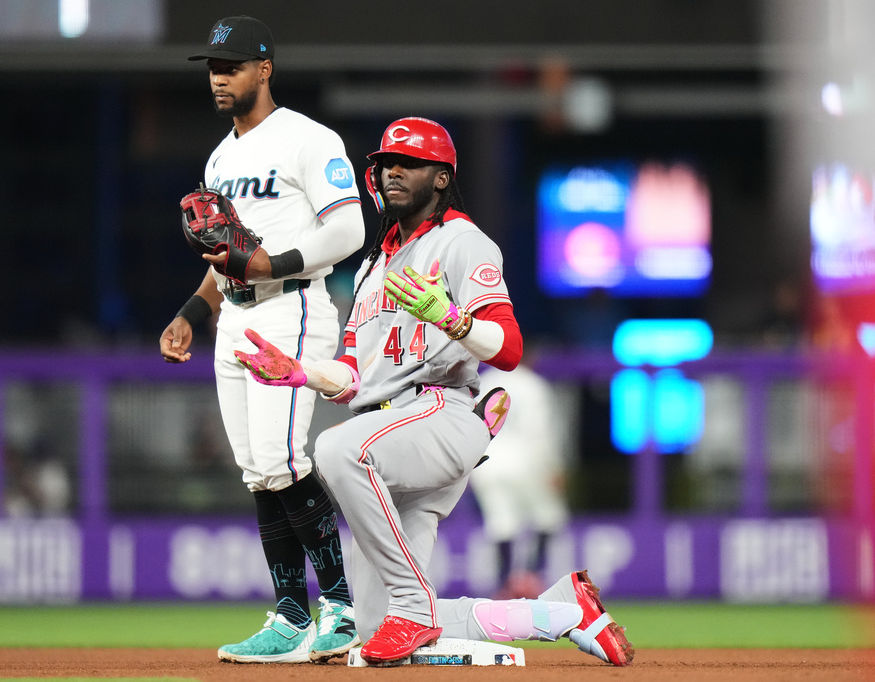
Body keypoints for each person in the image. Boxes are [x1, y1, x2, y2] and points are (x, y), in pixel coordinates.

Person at [235, 117, 634, 666]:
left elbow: (510, 349)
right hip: (390, 433)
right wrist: (302, 372)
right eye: (385, 164)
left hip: (436, 410)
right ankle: (561, 612)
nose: (392, 170)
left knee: (334, 449)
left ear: (441, 177)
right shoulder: (375, 265)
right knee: (373, 625)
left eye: (408, 162)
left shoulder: (461, 241)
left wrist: (452, 319)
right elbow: (352, 374)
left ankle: (413, 603)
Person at [157, 16, 366, 664]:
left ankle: (340, 608)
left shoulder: (308, 139)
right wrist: (194, 309)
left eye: (232, 66)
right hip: (237, 317)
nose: (219, 78)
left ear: (265, 68)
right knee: (258, 474)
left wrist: (272, 265)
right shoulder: (220, 157)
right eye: (214, 68)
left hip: (293, 306)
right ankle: (290, 613)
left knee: (284, 462)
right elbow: (226, 255)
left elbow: (349, 228)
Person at [469, 357, 570, 600]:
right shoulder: (533, 385)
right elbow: (539, 431)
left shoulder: (484, 382)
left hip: (487, 463)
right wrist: (553, 466)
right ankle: (531, 576)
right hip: (527, 462)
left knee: (501, 523)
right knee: (550, 517)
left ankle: (505, 583)